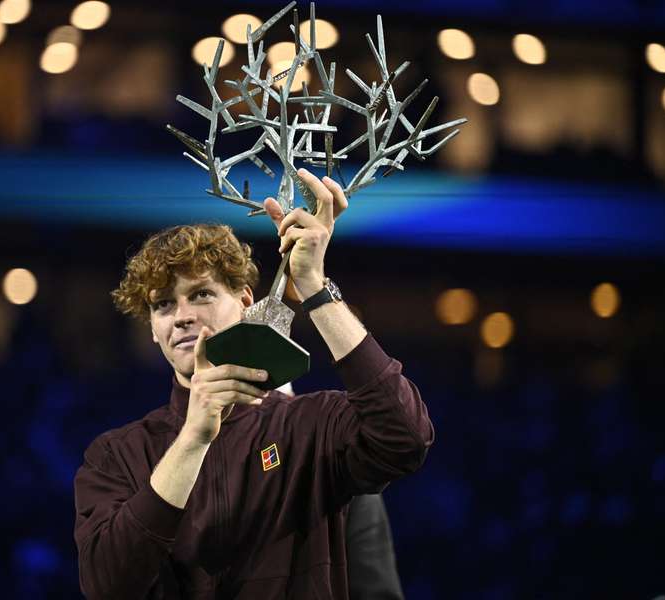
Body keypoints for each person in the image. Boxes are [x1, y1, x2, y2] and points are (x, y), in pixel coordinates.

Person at [74, 169, 433, 599]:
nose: (183, 316)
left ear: (246, 301)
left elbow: (406, 438)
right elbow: (107, 585)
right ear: (153, 328)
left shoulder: (311, 426)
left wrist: (314, 288)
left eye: (202, 294)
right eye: (164, 305)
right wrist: (193, 438)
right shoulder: (117, 456)